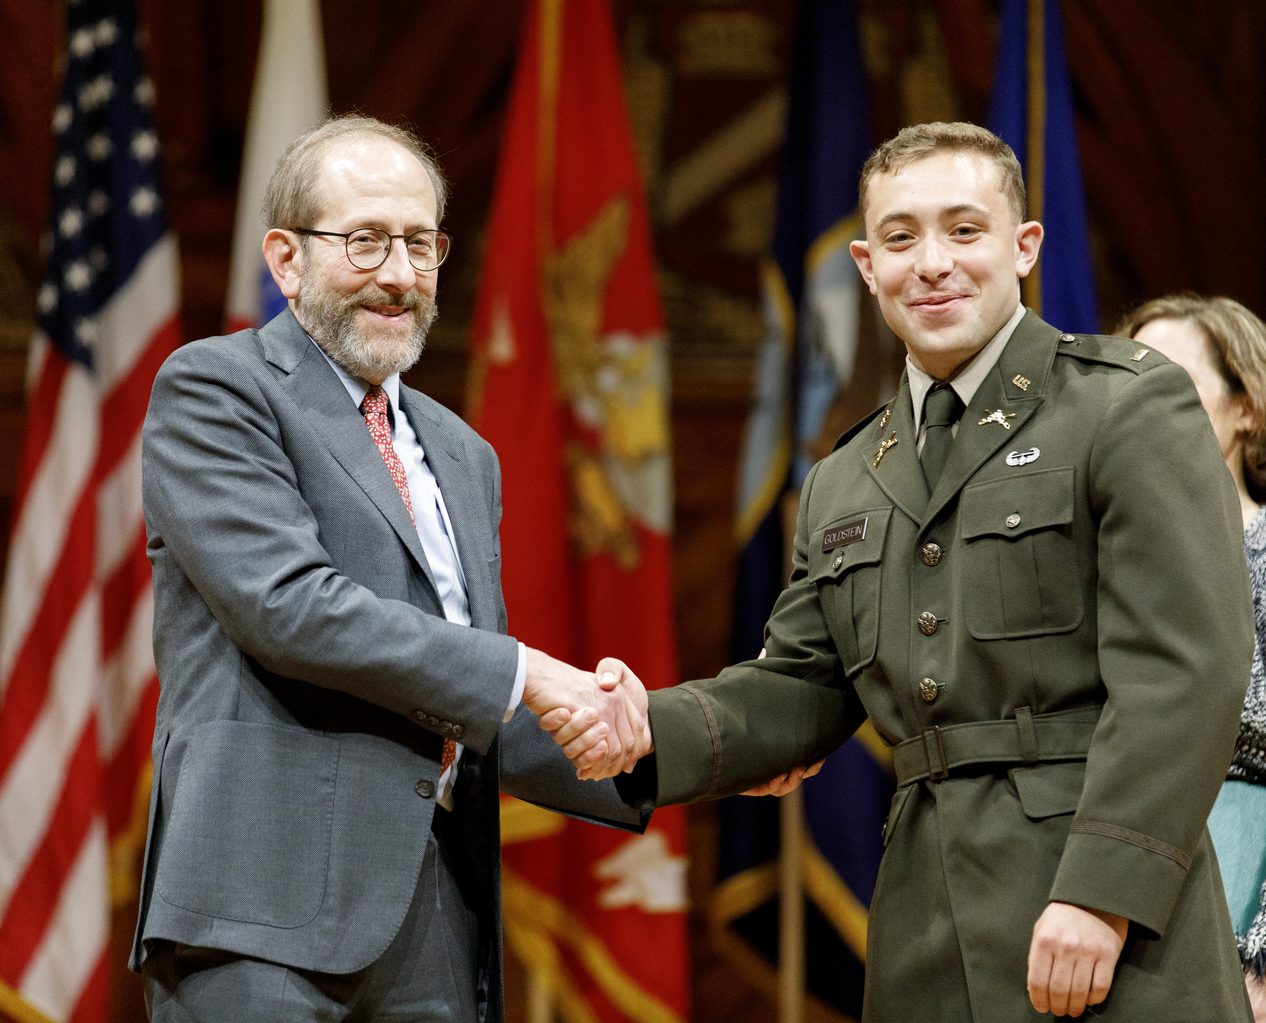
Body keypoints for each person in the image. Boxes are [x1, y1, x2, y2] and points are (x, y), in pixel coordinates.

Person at [551, 122, 1256, 1020]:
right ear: (864, 265)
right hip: (922, 925)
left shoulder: (1123, 403)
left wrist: (1104, 891)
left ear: (1024, 247)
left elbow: (1187, 668)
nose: (932, 262)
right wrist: (645, 725)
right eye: (900, 237)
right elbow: (801, 685)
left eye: (965, 230)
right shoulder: (848, 471)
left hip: (1102, 919)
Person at [130, 114, 649, 1023]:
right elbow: (290, 608)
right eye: (366, 240)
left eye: (420, 243)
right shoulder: (216, 388)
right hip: (260, 914)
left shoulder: (463, 451)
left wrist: (666, 747)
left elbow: (462, 691)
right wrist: (529, 671)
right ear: (285, 259)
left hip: (434, 924)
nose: (400, 275)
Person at [1117, 294, 1266, 1021]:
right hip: (1107, 885)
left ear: (1246, 408)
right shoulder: (1096, 566)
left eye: (1170, 379)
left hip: (1236, 871)